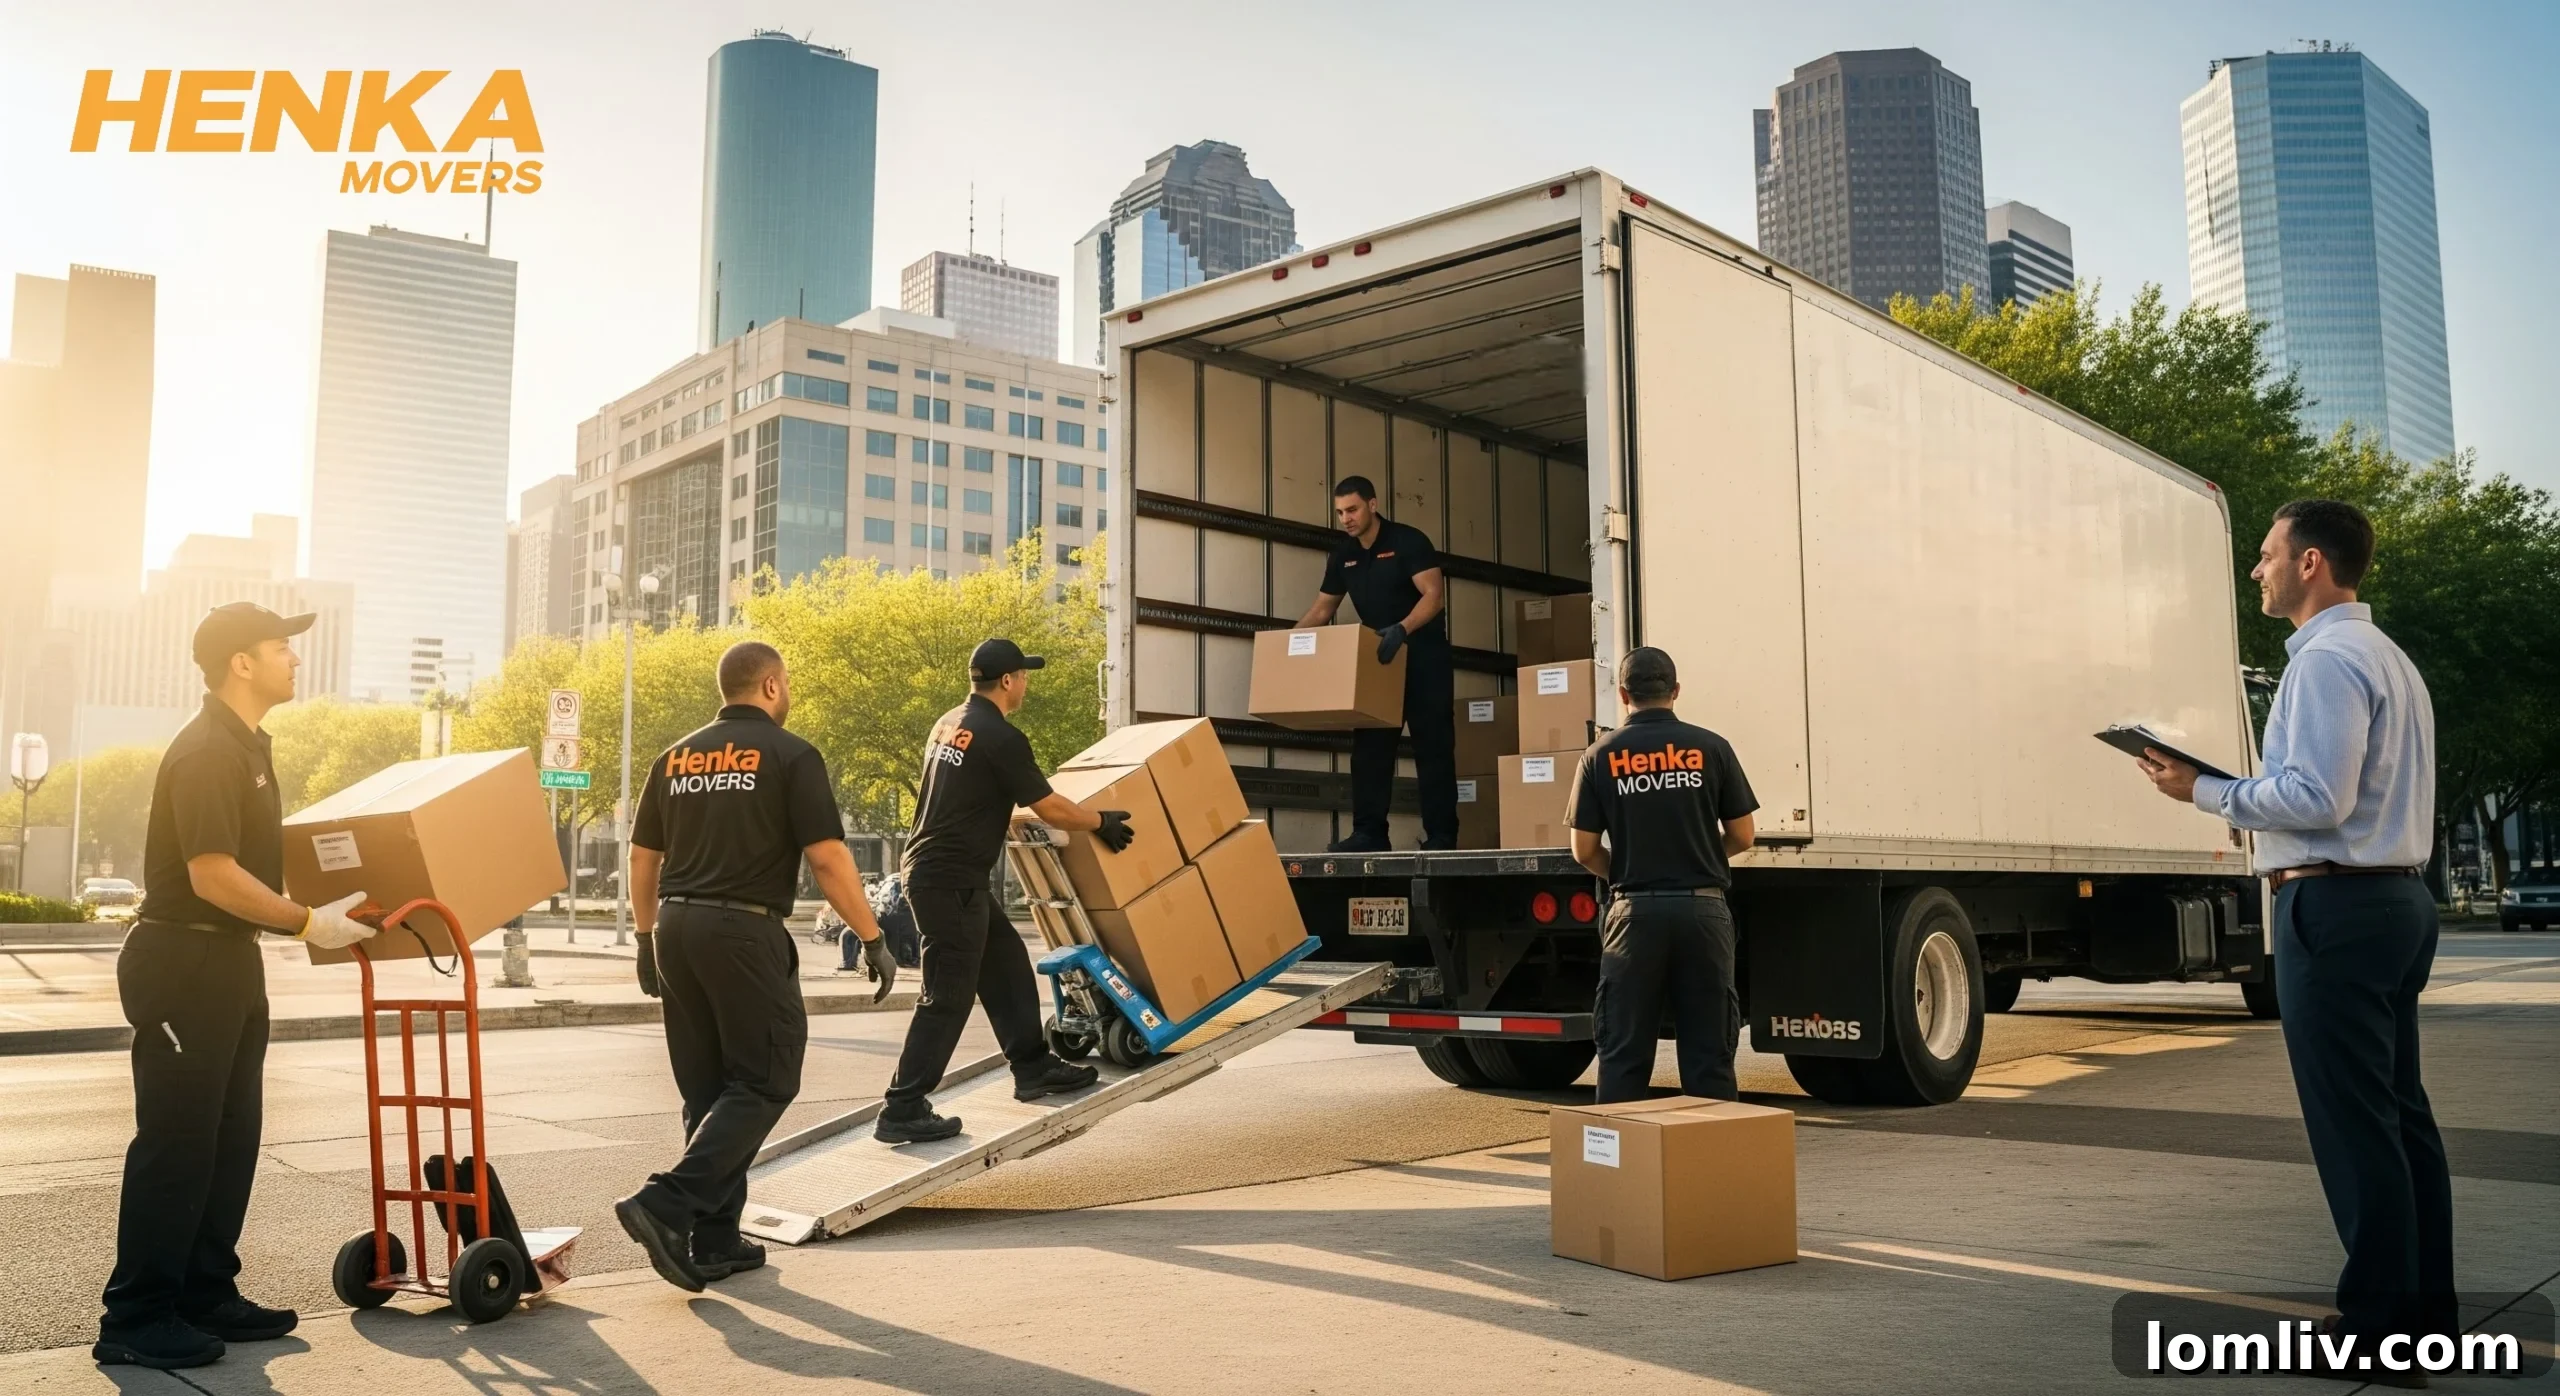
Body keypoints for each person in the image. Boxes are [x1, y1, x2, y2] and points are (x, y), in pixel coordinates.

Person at [2136, 499, 2451, 1359]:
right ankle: (2426, 1321)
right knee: (2398, 1118)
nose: (2258, 569)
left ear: (2312, 563)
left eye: (2268, 554)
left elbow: (2320, 798)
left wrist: (2203, 791)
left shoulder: (2324, 663)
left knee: (2355, 1127)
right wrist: (2248, 802)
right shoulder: (2389, 659)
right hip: (2394, 901)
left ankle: (2381, 1330)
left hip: (2338, 910)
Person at [95, 603, 380, 1371]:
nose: (295, 657)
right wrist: (305, 924)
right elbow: (211, 874)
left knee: (230, 1139)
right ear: (240, 663)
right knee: (178, 1143)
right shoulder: (207, 752)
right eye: (282, 646)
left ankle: (203, 1290)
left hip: (228, 961)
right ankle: (136, 1315)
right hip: (183, 961)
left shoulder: (250, 746)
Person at [613, 641, 896, 1292]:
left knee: (709, 1091)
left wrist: (645, 937)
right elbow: (827, 859)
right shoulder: (790, 755)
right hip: (742, 928)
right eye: (787, 684)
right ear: (770, 686)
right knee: (766, 1079)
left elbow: (642, 859)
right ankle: (666, 1205)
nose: (788, 693)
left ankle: (714, 1240)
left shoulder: (674, 757)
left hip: (677, 926)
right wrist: (872, 935)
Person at [876, 639, 1134, 1143]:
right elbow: (1051, 807)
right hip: (948, 881)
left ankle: (1033, 1068)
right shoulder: (1000, 736)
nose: (1027, 683)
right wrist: (1100, 821)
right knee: (946, 996)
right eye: (1024, 675)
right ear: (1009, 681)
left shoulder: (949, 722)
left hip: (945, 876)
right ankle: (903, 1107)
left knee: (1008, 964)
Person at [1563, 647, 1758, 1104]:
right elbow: (1744, 836)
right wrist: (1704, 855)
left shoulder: (1600, 755)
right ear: (1675, 691)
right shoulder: (1712, 747)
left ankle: (1623, 1169)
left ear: (1624, 694)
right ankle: (1711, 1165)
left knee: (1623, 1054)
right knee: (1710, 1056)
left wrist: (1626, 873)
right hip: (1705, 912)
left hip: (1634, 915)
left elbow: (1583, 850)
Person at [1296, 475, 1457, 852]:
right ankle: (1369, 834)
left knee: (1432, 748)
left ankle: (1441, 836)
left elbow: (1433, 596)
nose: (1346, 519)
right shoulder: (1344, 555)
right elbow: (1322, 609)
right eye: (1339, 512)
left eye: (1351, 509)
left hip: (1422, 658)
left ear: (1372, 504)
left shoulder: (1408, 541)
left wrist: (1403, 629)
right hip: (1379, 661)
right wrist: (1284, 644)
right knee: (1369, 752)